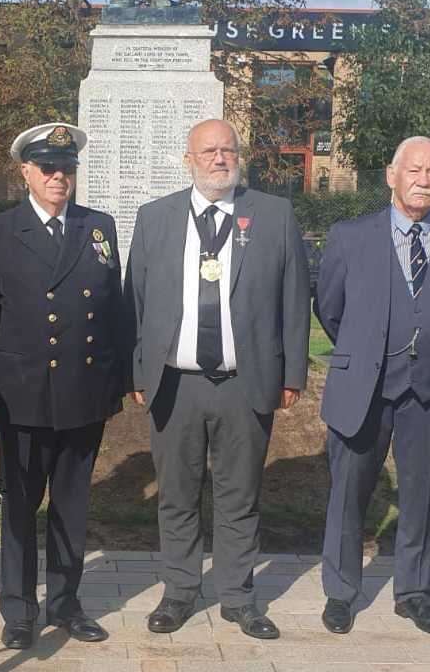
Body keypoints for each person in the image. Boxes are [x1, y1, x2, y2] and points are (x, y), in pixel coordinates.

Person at [124, 119, 311, 640]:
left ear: (239, 157)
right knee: (177, 493)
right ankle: (179, 591)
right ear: (189, 158)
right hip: (175, 382)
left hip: (244, 380)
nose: (219, 159)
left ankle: (238, 595)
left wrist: (291, 371)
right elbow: (134, 302)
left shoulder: (273, 215)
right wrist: (138, 370)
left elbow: (296, 299)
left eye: (228, 150)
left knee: (239, 493)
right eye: (208, 151)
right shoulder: (155, 218)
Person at [314, 136, 430, 637]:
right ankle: (341, 592)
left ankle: (413, 592)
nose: (423, 179)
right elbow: (330, 308)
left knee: (422, 496)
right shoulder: (350, 236)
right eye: (413, 170)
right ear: (391, 176)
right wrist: (366, 350)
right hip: (363, 390)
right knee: (349, 493)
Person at [0, 122, 127, 650]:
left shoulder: (97, 227)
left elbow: (114, 312)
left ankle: (65, 602)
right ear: (25, 173)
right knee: (19, 506)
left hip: (83, 391)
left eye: (68, 168)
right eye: (48, 168)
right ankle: (19, 610)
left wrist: (116, 381)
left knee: (72, 506)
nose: (60, 177)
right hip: (22, 396)